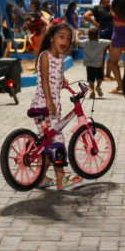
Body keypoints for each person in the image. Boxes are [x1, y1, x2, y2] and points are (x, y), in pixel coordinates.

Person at [29, 23, 81, 189]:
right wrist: (50, 101)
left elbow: (55, 75)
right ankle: (61, 178)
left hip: (52, 106)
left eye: (68, 38)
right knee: (57, 139)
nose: (65, 40)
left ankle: (41, 178)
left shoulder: (59, 58)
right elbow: (44, 79)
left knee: (47, 143)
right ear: (51, 39)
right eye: (61, 36)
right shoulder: (45, 56)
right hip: (44, 105)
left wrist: (62, 80)